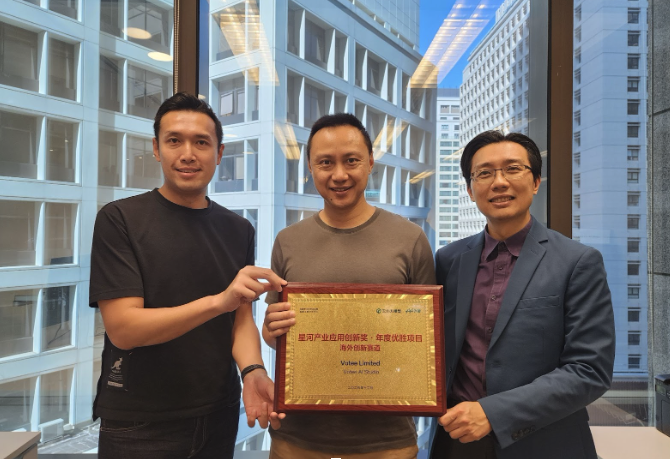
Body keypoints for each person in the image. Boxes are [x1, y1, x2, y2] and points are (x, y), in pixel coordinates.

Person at [89, 92, 285, 459]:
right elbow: (124, 329)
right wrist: (218, 302)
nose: (188, 153)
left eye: (201, 142)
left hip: (219, 412)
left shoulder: (238, 229)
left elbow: (240, 318)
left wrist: (253, 371)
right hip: (140, 422)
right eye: (174, 140)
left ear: (219, 153)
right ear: (156, 148)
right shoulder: (120, 220)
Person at [430, 131, 615, 459]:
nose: (499, 182)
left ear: (536, 181)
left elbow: (589, 370)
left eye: (513, 169)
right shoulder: (448, 260)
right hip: (458, 441)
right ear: (470, 190)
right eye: (484, 173)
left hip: (546, 443)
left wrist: (493, 413)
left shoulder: (577, 261)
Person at [262, 113, 436, 459]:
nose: (339, 174)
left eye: (351, 161)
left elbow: (426, 340)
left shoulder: (410, 238)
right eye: (325, 162)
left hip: (386, 440)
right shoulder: (288, 241)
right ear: (310, 168)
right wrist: (270, 328)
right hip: (297, 437)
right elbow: (274, 334)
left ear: (370, 163)